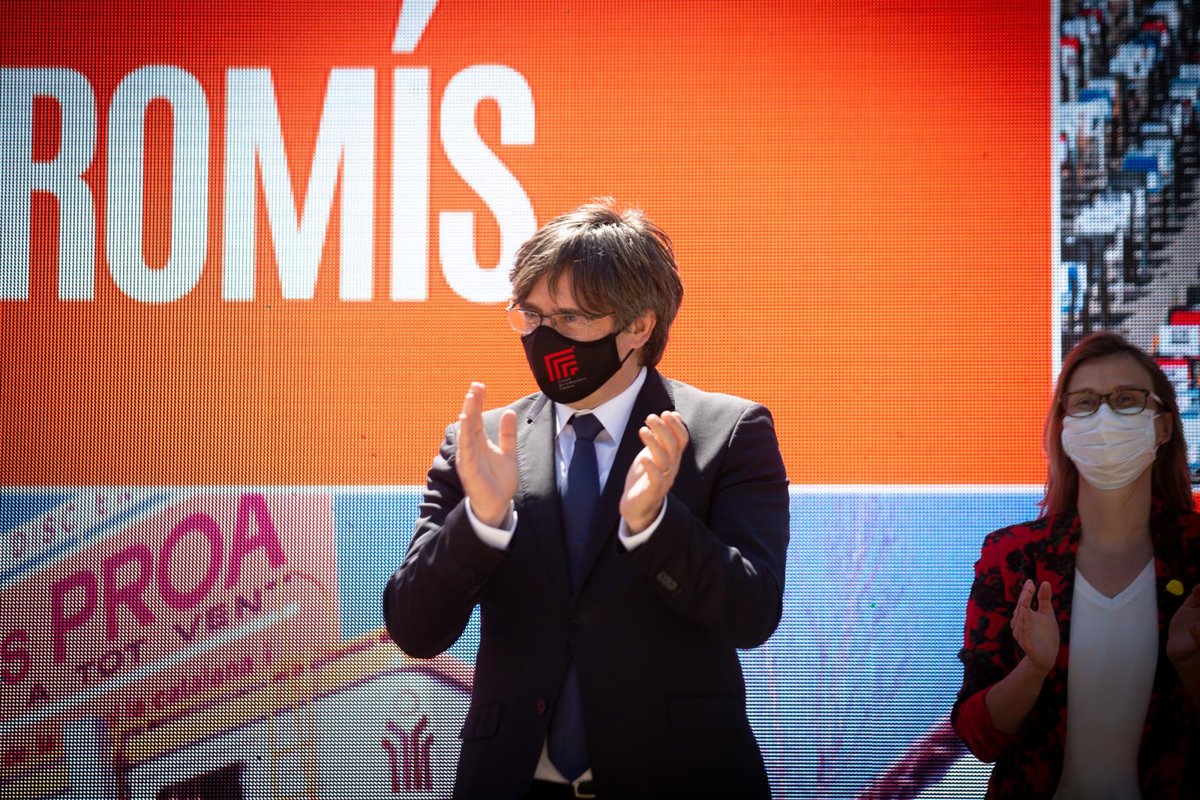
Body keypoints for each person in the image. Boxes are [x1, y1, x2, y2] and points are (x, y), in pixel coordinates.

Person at [383, 199, 790, 799]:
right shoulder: (481, 443)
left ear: (639, 327)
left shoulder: (727, 433)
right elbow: (414, 630)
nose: (545, 337)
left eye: (570, 318)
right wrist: (482, 522)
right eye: (531, 315)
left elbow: (752, 613)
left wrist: (654, 526)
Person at [952, 331, 1200, 798]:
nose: (1105, 419)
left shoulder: (1195, 555)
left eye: (1126, 400)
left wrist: (1190, 666)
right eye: (1085, 403)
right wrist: (1033, 668)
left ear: (1164, 426)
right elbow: (977, 735)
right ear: (1063, 429)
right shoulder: (1013, 556)